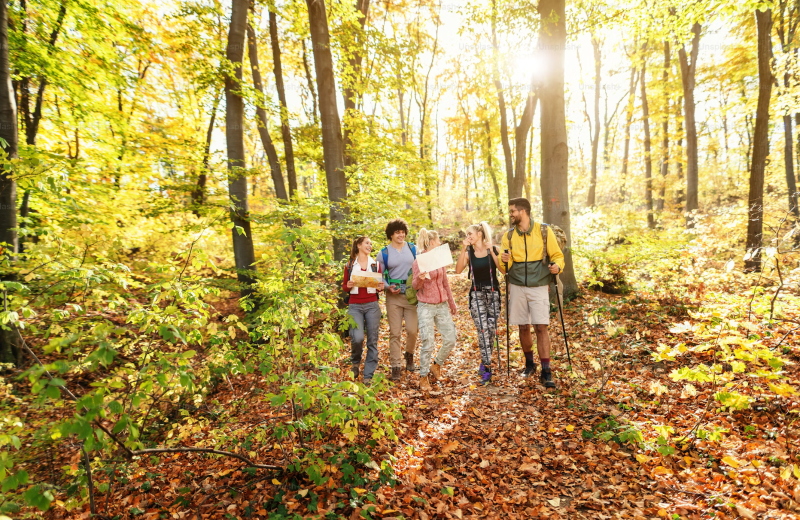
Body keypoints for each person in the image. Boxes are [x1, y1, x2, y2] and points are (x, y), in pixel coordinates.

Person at [499, 197, 564, 388]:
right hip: (517, 286)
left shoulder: (543, 231)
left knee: (541, 326)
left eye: (513, 211)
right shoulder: (509, 236)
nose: (510, 214)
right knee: (523, 327)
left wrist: (557, 267)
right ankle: (529, 364)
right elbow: (506, 267)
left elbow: (557, 255)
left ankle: (546, 371)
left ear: (523, 212)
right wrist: (504, 260)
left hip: (539, 286)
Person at [454, 222, 501, 384]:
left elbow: (502, 269)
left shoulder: (493, 249)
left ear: (479, 234)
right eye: (467, 234)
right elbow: (458, 270)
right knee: (482, 330)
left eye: (470, 233)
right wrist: (463, 249)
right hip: (477, 293)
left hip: (494, 293)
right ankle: (487, 368)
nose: (468, 237)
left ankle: (484, 359)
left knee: (490, 330)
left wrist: (493, 251)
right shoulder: (469, 252)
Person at [412, 228, 458, 391]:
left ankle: (436, 365)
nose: (440, 243)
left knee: (451, 338)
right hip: (425, 305)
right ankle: (423, 376)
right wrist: (420, 278)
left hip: (442, 305)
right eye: (438, 240)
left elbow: (445, 282)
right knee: (428, 342)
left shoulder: (439, 258)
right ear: (432, 242)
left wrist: (452, 303)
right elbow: (415, 286)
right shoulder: (419, 261)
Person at [377, 219, 418, 381]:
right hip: (393, 297)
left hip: (411, 296)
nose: (401, 235)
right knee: (395, 332)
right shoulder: (384, 253)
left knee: (412, 330)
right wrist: (387, 286)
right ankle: (395, 365)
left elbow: (422, 267)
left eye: (403, 232)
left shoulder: (413, 249)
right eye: (397, 232)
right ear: (391, 235)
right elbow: (378, 275)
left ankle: (409, 355)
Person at [342, 236, 385, 386]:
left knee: (372, 340)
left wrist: (381, 286)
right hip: (355, 306)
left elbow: (380, 285)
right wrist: (349, 285)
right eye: (367, 243)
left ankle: (368, 374)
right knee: (357, 338)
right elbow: (345, 287)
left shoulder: (376, 265)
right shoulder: (349, 265)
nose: (370, 245)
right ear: (359, 245)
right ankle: (355, 363)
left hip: (372, 304)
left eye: (371, 244)